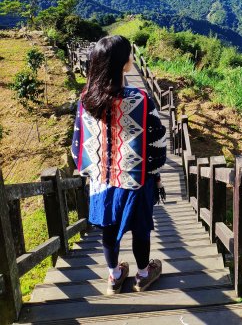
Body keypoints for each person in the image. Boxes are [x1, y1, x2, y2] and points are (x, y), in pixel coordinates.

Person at [71, 35, 166, 295]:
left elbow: (78, 143)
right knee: (141, 229)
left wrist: (92, 171)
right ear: (124, 64)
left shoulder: (86, 100)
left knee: (109, 229)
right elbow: (157, 142)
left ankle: (114, 276)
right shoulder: (141, 99)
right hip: (136, 179)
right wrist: (156, 175)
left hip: (102, 181)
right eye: (129, 55)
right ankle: (144, 274)